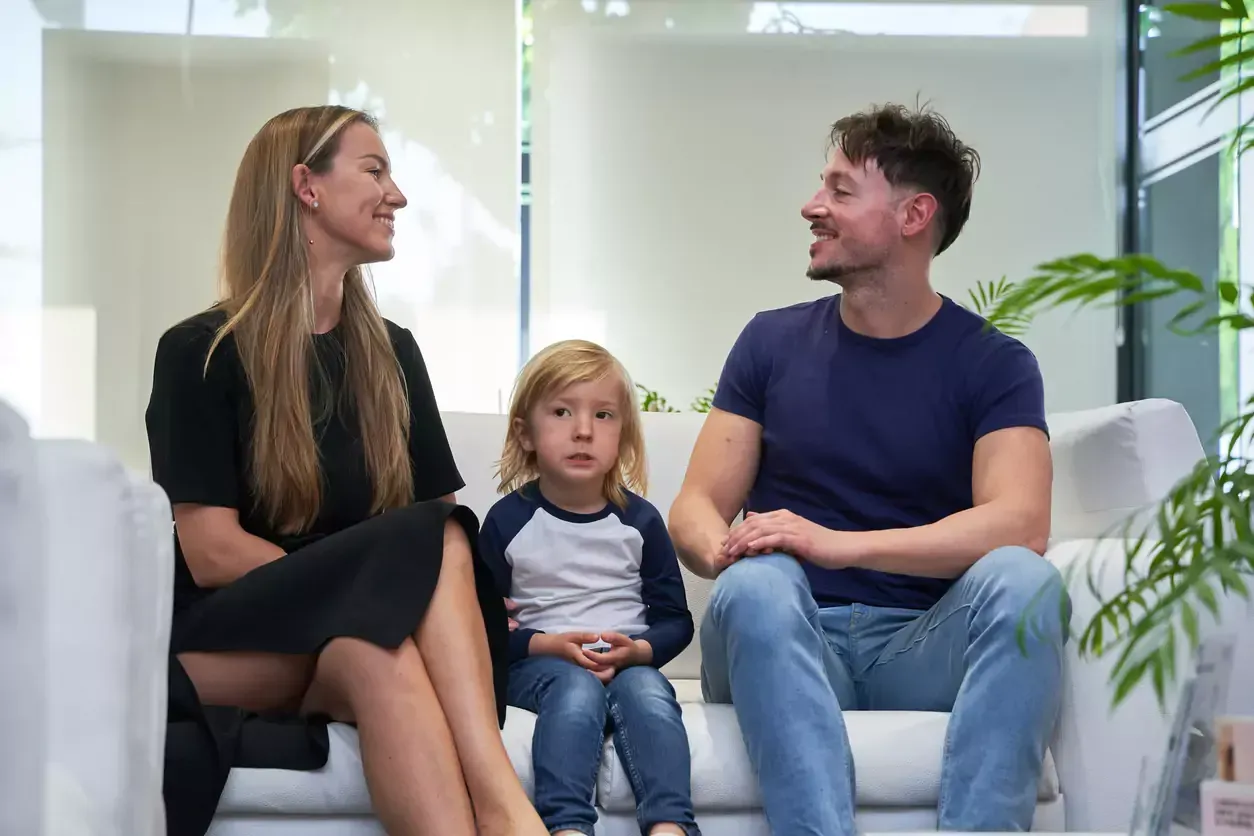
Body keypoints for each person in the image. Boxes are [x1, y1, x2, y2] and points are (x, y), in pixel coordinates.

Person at [667, 103, 1070, 835]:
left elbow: (1020, 523)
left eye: (840, 190)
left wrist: (834, 543)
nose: (811, 207)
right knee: (759, 583)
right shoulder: (769, 342)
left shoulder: (995, 364)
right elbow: (695, 504)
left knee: (1027, 584)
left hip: (919, 643)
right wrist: (735, 549)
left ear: (915, 214)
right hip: (785, 634)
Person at [145, 105, 547, 836]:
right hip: (232, 641)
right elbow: (210, 553)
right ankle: (507, 807)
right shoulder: (199, 353)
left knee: (380, 648)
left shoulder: (394, 354)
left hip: (348, 639)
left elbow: (437, 536)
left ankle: (495, 811)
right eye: (374, 171)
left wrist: (404, 605)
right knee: (424, 553)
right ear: (306, 186)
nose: (396, 195)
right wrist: (370, 589)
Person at [478, 340, 700, 836]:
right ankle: (567, 826)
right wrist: (546, 645)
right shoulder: (507, 521)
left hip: (624, 661)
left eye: (603, 415)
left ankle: (671, 825)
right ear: (525, 432)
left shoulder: (641, 522)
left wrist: (638, 651)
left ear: (623, 435)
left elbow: (676, 621)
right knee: (574, 687)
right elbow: (480, 626)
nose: (583, 430)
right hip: (540, 666)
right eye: (561, 412)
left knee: (649, 694)